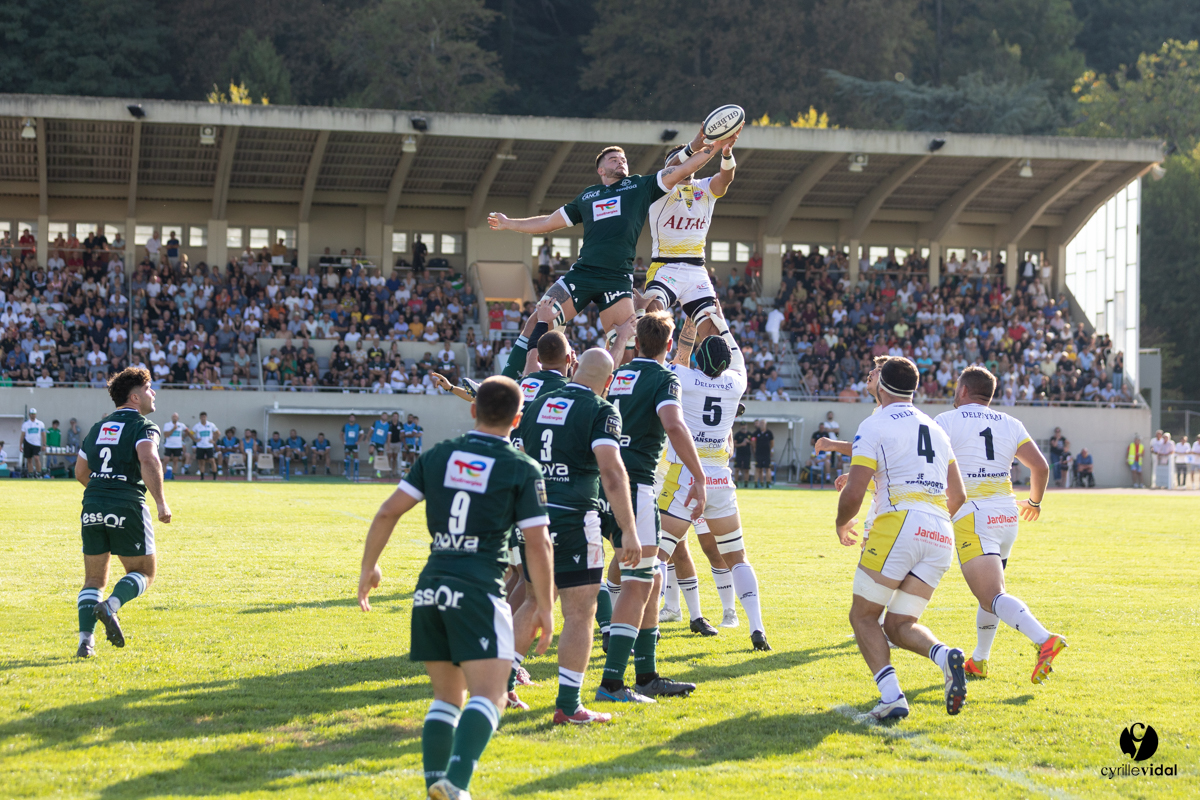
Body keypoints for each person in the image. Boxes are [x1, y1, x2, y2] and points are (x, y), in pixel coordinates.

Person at [357, 376, 553, 800]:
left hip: (430, 587)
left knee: (447, 699)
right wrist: (545, 606)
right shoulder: (521, 466)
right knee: (492, 696)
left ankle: (436, 786)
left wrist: (368, 568)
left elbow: (388, 511)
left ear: (472, 410)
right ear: (518, 419)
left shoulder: (438, 455)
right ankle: (457, 783)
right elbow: (539, 543)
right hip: (479, 589)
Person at [488, 129, 727, 354]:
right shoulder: (588, 196)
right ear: (601, 170)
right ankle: (511, 377)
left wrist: (713, 147)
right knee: (536, 321)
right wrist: (509, 223)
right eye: (613, 159)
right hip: (583, 273)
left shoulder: (639, 186)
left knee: (627, 346)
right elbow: (549, 221)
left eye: (623, 159)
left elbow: (681, 170)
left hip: (617, 278)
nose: (620, 162)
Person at [836, 356, 969, 721]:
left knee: (864, 616)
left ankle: (891, 696)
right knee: (898, 625)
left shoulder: (874, 424)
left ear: (881, 385)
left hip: (900, 523)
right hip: (940, 531)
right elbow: (958, 495)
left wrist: (841, 523)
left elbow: (854, 491)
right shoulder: (935, 428)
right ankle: (945, 656)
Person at [510, 348, 634, 724]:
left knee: (533, 601)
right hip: (574, 519)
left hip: (532, 516)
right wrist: (628, 529)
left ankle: (500, 687)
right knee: (579, 612)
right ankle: (568, 705)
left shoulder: (538, 403)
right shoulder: (600, 410)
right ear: (609, 382)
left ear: (575, 368)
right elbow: (611, 472)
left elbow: (518, 455)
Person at [595, 311, 706, 704]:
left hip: (602, 483)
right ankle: (612, 683)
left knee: (653, 577)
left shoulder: (618, 375)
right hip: (635, 485)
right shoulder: (664, 378)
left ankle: (646, 675)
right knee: (640, 580)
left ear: (638, 343)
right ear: (669, 344)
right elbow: (673, 425)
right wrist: (699, 476)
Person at [934, 366, 1066, 685]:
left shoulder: (945, 421)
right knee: (990, 594)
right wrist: (1034, 503)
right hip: (1007, 516)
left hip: (973, 516)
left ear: (964, 390)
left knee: (992, 594)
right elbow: (1041, 467)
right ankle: (979, 660)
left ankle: (1044, 639)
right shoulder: (1010, 422)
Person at [657, 316, 770, 649]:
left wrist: (691, 326)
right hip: (721, 479)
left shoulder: (684, 378)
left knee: (658, 555)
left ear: (699, 358)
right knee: (738, 557)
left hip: (685, 475)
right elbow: (739, 360)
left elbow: (677, 357)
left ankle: (650, 625)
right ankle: (757, 627)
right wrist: (720, 321)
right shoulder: (735, 384)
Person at [74, 367, 171, 658]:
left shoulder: (97, 428)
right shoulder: (143, 426)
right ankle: (111, 606)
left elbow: (80, 471)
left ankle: (85, 643)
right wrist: (161, 502)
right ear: (135, 397)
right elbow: (148, 458)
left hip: (92, 504)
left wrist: (103, 490)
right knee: (144, 572)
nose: (153, 393)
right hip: (126, 503)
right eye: (149, 388)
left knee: (94, 580)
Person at [641, 128, 742, 344]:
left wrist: (726, 153)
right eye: (683, 159)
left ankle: (713, 366)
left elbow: (726, 178)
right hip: (665, 267)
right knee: (653, 316)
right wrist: (693, 150)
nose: (686, 164)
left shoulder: (705, 187)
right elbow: (672, 168)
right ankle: (653, 360)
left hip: (696, 271)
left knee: (713, 333)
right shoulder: (659, 189)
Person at [160, 413, 191, 479]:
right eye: (173, 416)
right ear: (172, 417)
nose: (174, 418)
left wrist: (184, 436)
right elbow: (166, 435)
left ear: (178, 418)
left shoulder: (181, 425)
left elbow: (187, 431)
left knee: (175, 461)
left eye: (176, 417)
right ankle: (163, 475)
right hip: (169, 445)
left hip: (178, 446)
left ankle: (173, 475)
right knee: (166, 460)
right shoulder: (167, 425)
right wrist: (173, 429)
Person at [191, 412, 219, 480]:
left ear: (206, 417)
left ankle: (214, 477)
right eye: (202, 417)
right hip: (200, 446)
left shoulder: (211, 425)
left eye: (204, 417)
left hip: (209, 446)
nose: (203, 418)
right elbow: (190, 433)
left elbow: (218, 433)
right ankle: (202, 477)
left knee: (212, 460)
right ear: (200, 418)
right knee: (201, 461)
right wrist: (195, 439)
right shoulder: (197, 426)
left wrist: (214, 441)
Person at [21, 407, 46, 478]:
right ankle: (31, 474)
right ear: (29, 415)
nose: (33, 415)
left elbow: (43, 434)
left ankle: (38, 473)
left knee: (36, 458)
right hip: (28, 443)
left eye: (34, 414)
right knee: (29, 459)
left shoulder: (40, 423)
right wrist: (20, 445)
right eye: (32, 414)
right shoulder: (25, 424)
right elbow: (22, 435)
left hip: (36, 444)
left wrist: (44, 444)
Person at [752, 419, 774, 488]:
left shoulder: (769, 433)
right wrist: (755, 450)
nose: (762, 425)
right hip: (759, 453)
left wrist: (770, 450)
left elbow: (772, 443)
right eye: (761, 423)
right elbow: (753, 443)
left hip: (766, 454)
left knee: (767, 468)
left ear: (765, 424)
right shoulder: (756, 433)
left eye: (763, 423)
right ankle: (756, 483)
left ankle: (768, 483)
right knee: (758, 468)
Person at [369, 412, 391, 478]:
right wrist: (367, 437)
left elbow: (389, 436)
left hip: (381, 443)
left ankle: (378, 471)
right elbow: (371, 430)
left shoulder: (388, 426)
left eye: (386, 416)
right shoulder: (376, 422)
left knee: (380, 456)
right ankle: (371, 456)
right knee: (371, 450)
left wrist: (388, 445)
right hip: (374, 440)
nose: (384, 417)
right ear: (381, 416)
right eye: (383, 415)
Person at [733, 421, 752, 488]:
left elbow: (754, 444)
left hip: (747, 454)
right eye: (742, 426)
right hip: (739, 454)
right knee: (737, 469)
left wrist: (748, 442)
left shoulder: (749, 434)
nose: (743, 427)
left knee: (746, 469)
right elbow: (734, 445)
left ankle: (746, 483)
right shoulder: (737, 434)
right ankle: (736, 483)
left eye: (744, 425)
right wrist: (741, 444)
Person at [342, 413, 362, 478]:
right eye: (351, 417)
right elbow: (341, 434)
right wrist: (343, 441)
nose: (352, 419)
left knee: (355, 456)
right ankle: (346, 470)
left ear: (355, 419)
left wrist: (358, 441)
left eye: (353, 417)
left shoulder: (358, 426)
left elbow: (362, 434)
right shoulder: (345, 426)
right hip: (347, 444)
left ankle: (356, 470)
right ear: (349, 418)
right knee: (346, 456)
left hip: (354, 444)